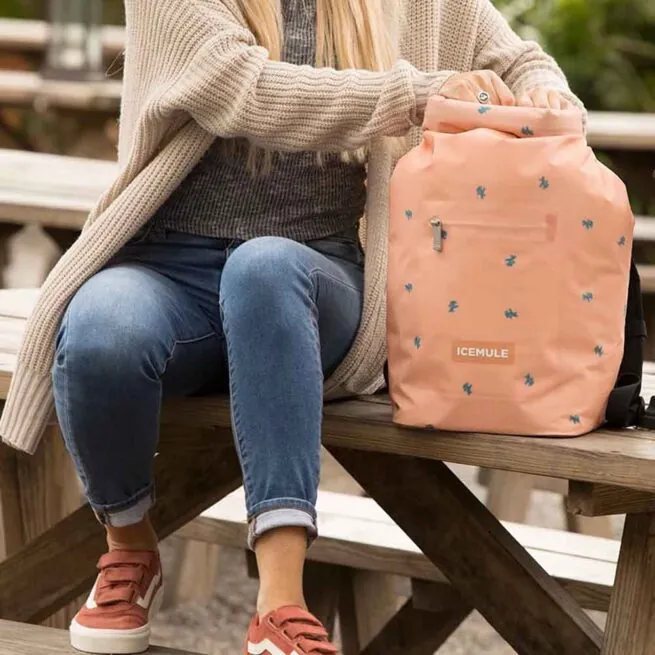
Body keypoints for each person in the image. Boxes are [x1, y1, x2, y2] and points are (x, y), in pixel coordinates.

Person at [0, 0, 583, 653]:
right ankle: (129, 549)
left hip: (311, 278)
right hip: (168, 271)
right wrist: (419, 92)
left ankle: (280, 602)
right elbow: (244, 90)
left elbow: (524, 61)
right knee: (99, 330)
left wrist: (543, 100)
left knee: (264, 267)